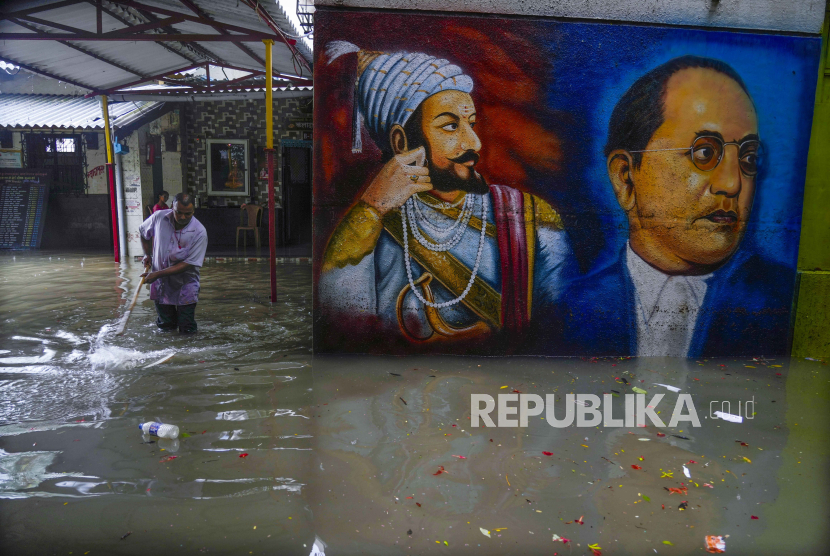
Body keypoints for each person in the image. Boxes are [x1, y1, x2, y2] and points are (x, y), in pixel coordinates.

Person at [317, 41, 573, 351]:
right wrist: (372, 208)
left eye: (472, 124)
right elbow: (342, 325)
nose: (474, 143)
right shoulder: (371, 230)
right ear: (401, 142)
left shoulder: (530, 217)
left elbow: (560, 328)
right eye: (450, 126)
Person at [536, 55, 794, 357]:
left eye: (748, 158)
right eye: (704, 153)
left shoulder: (782, 300)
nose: (732, 183)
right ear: (626, 178)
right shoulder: (568, 312)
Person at [139, 192, 208, 334]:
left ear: (193, 211)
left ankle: (186, 355)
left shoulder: (200, 232)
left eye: (188, 214)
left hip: (185, 285)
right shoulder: (159, 218)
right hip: (161, 285)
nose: (183, 217)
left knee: (187, 328)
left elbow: (188, 263)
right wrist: (147, 254)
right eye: (179, 213)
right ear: (172, 207)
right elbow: (143, 232)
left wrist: (157, 274)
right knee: (165, 326)